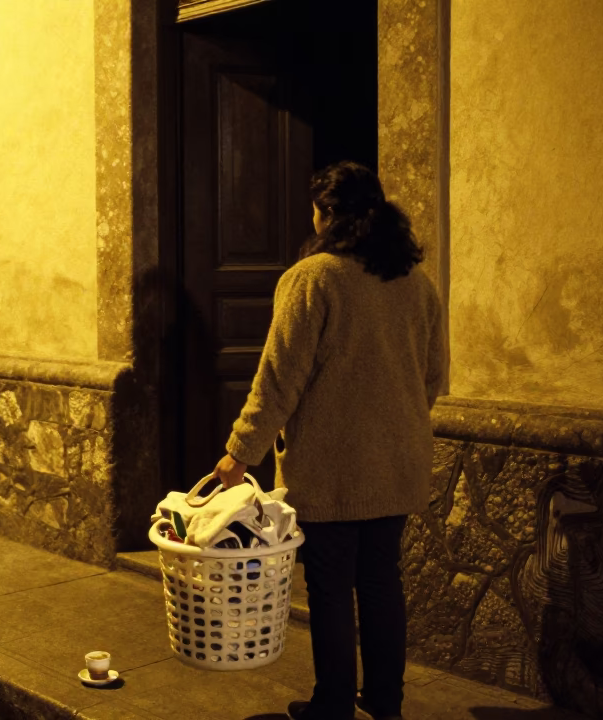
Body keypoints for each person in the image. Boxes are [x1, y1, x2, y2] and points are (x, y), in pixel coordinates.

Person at [211, 161, 447, 720]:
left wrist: (240, 451)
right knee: (382, 583)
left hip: (331, 469)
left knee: (332, 587)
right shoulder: (417, 284)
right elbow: (433, 376)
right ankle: (385, 702)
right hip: (397, 465)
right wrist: (393, 425)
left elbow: (278, 379)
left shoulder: (313, 278)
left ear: (327, 215)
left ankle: (334, 704)